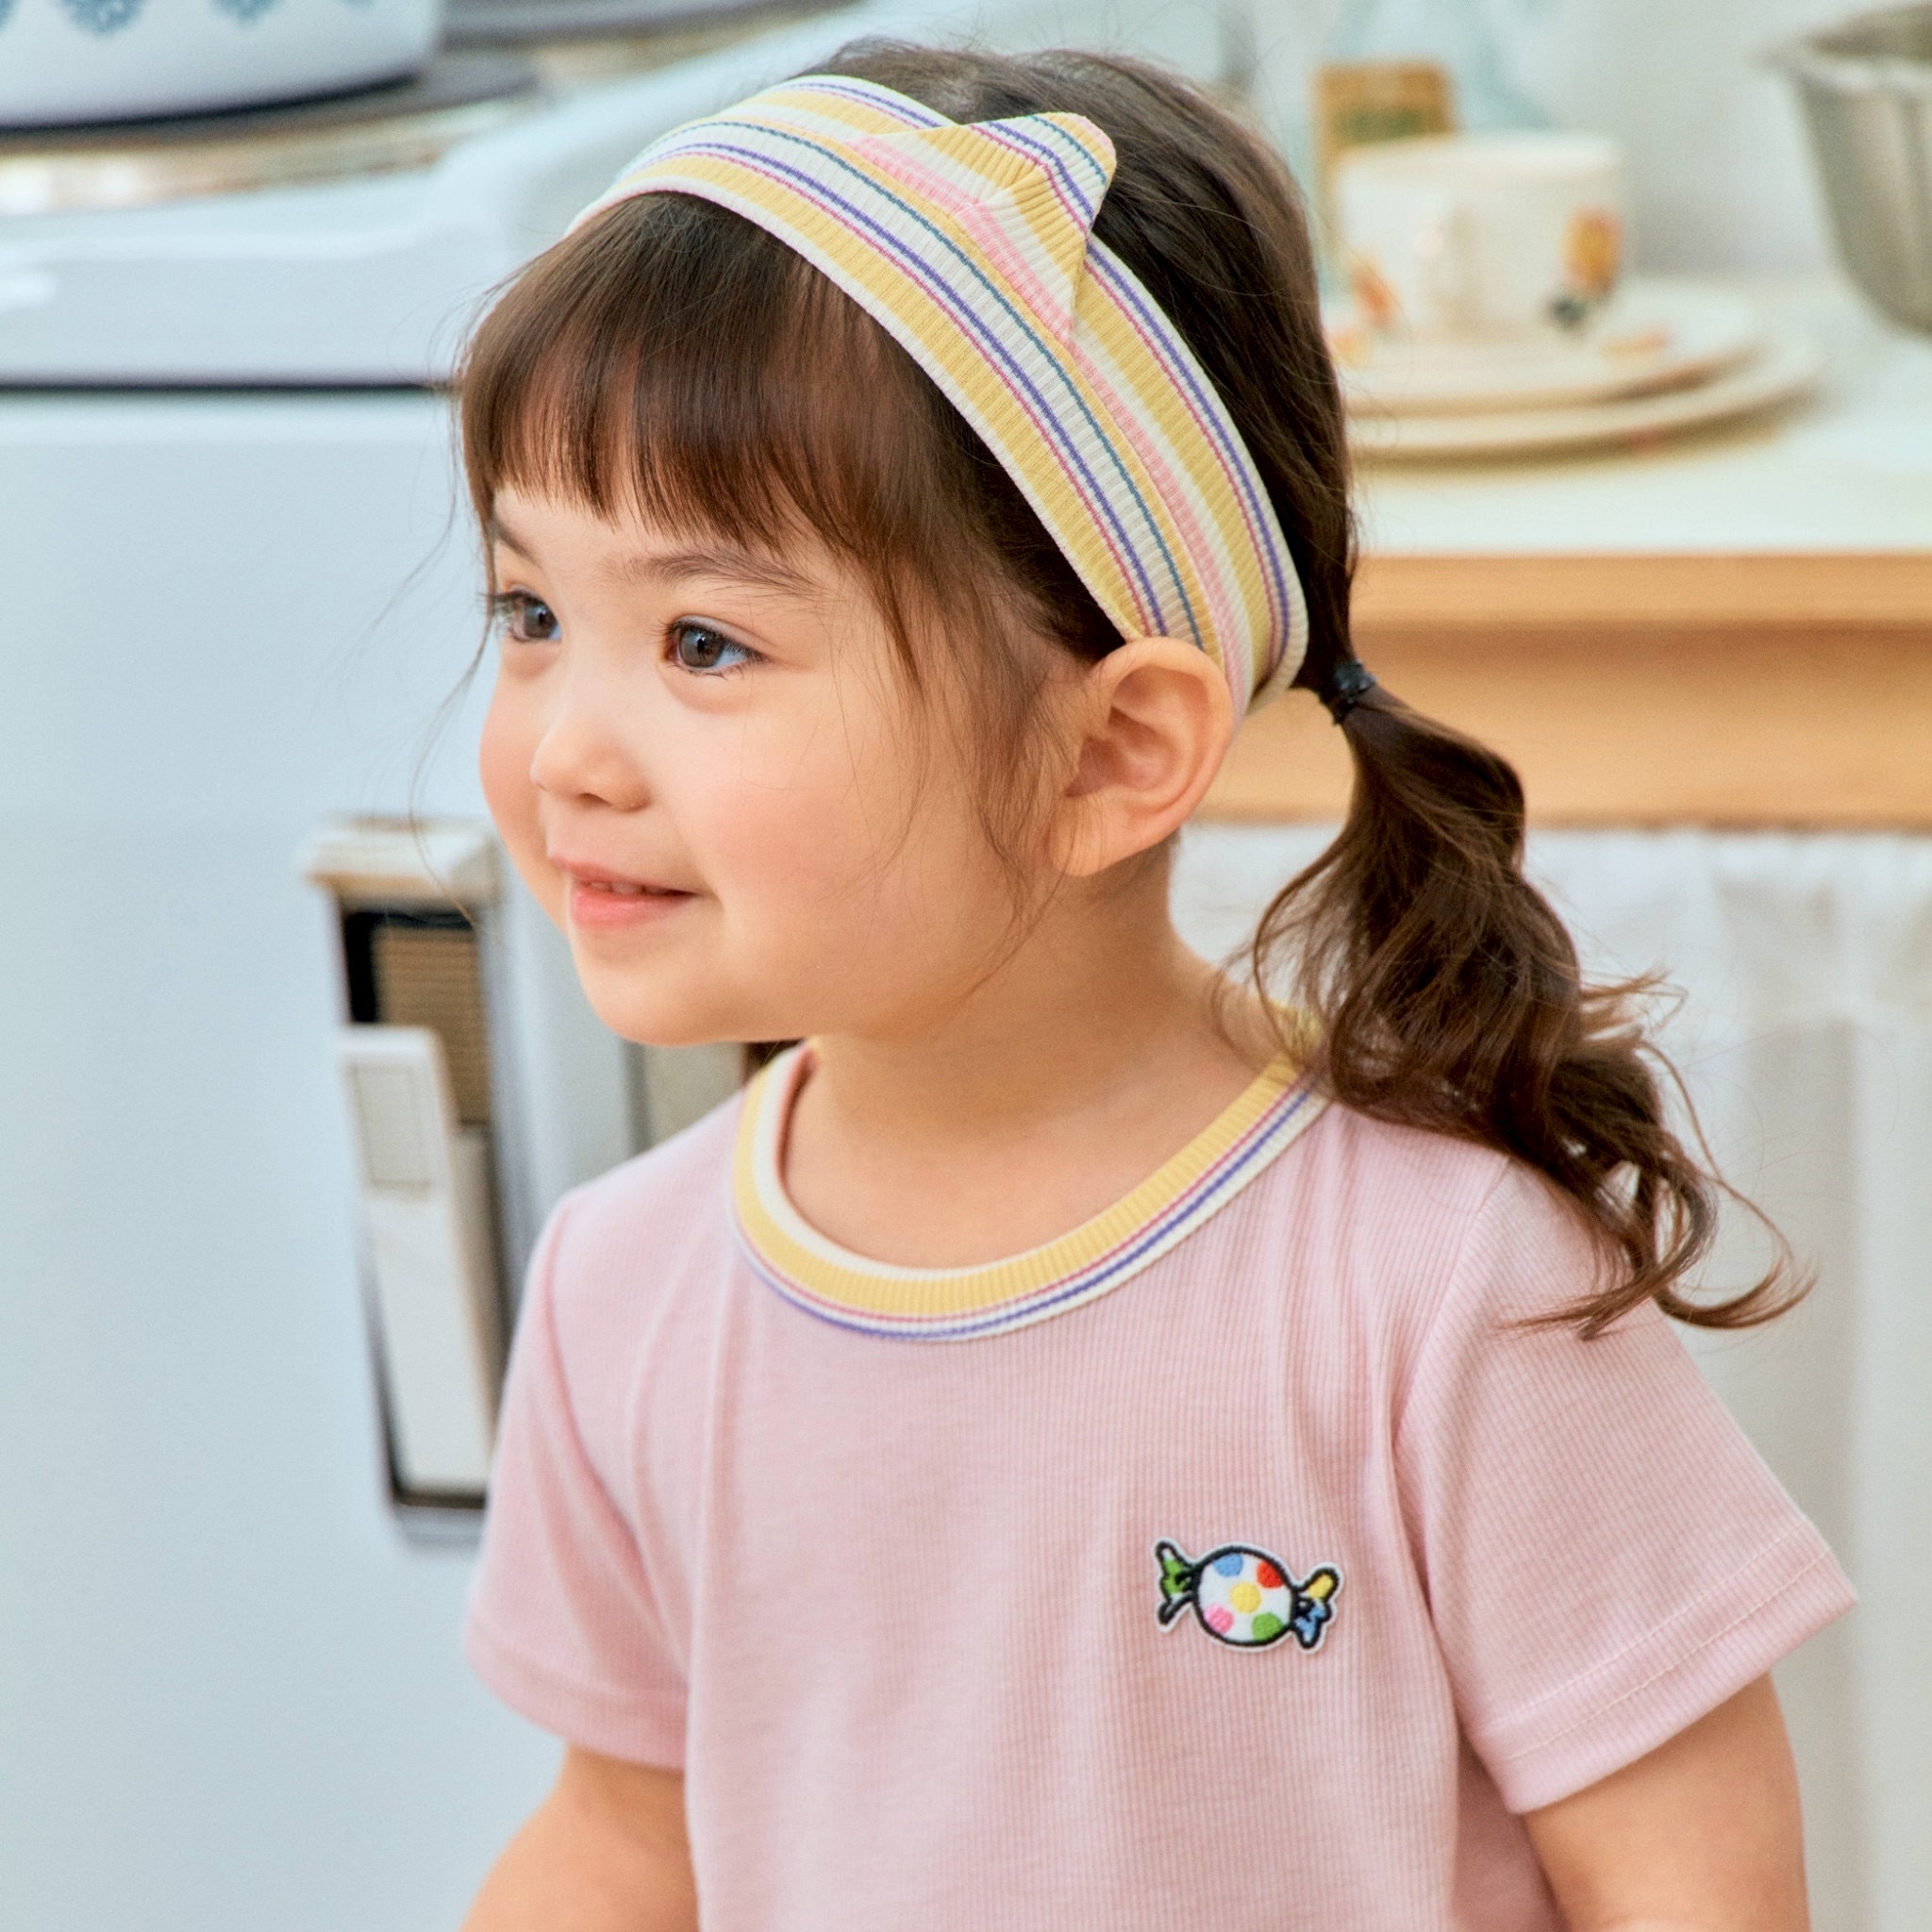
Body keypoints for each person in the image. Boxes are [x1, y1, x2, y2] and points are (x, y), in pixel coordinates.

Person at [454, 42, 1852, 1932]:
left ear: (1115, 753)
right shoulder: (621, 1287)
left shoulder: (1443, 1290)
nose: (564, 752)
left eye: (705, 640)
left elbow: (1698, 1890)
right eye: (532, 615)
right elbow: (626, 1844)